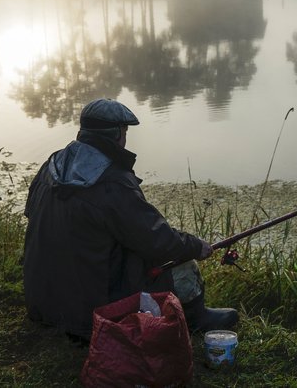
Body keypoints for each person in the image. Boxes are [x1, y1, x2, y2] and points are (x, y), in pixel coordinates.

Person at [22, 98, 238, 341]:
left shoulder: (51, 165)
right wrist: (197, 246)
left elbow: (32, 214)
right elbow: (159, 241)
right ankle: (194, 318)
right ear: (116, 135)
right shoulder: (112, 182)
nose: (125, 138)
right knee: (180, 257)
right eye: (124, 132)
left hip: (40, 303)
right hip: (87, 317)